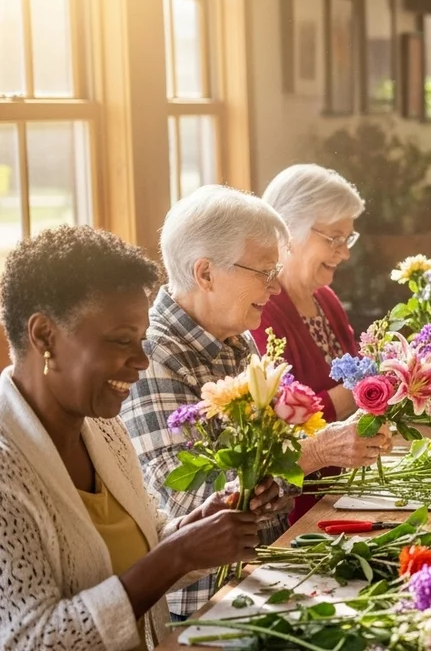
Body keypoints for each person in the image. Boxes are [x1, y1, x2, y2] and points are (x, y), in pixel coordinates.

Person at [0, 226, 288, 649]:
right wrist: (178, 555)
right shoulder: (8, 467)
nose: (140, 361)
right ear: (44, 335)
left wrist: (193, 529)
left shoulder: (100, 425)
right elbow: (33, 640)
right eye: (121, 341)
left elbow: (140, 544)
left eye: (142, 340)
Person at [122, 185, 388, 620]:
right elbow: (192, 503)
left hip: (272, 569)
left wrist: (288, 468)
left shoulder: (236, 337)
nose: (275, 288)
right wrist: (314, 453)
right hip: (213, 603)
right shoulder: (154, 357)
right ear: (205, 273)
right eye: (265, 272)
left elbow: (272, 480)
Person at [258, 164, 394, 522]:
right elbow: (277, 423)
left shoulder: (326, 299)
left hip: (342, 490)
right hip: (298, 508)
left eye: (347, 238)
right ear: (288, 231)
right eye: (334, 237)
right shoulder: (262, 311)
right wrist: (360, 393)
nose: (344, 252)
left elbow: (360, 383)